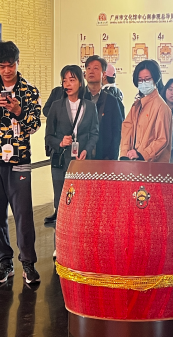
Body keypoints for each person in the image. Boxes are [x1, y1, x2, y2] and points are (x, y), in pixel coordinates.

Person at [0, 41, 42, 285]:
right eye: (2, 66)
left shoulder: (29, 90)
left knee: (23, 214)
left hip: (19, 161)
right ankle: (4, 263)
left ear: (17, 62)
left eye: (10, 65)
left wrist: (19, 112)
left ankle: (28, 263)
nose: (7, 70)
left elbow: (35, 125)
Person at [45, 65, 99, 227]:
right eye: (64, 81)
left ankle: (79, 231)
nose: (67, 84)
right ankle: (60, 234)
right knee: (61, 198)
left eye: (72, 80)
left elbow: (95, 133)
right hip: (61, 160)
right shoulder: (56, 106)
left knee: (81, 199)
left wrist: (86, 149)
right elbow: (48, 136)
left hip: (81, 160)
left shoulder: (90, 107)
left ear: (80, 83)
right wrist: (60, 142)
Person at [120, 59, 172, 162]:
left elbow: (162, 140)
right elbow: (126, 130)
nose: (143, 83)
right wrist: (125, 154)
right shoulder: (136, 106)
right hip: (135, 164)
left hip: (153, 166)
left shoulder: (161, 107)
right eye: (140, 80)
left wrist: (141, 154)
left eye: (147, 79)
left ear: (155, 79)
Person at [84, 55, 124, 161]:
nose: (91, 71)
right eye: (88, 68)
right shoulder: (79, 98)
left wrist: (112, 157)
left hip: (104, 157)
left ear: (104, 74)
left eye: (96, 68)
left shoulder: (111, 101)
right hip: (81, 156)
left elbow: (117, 130)